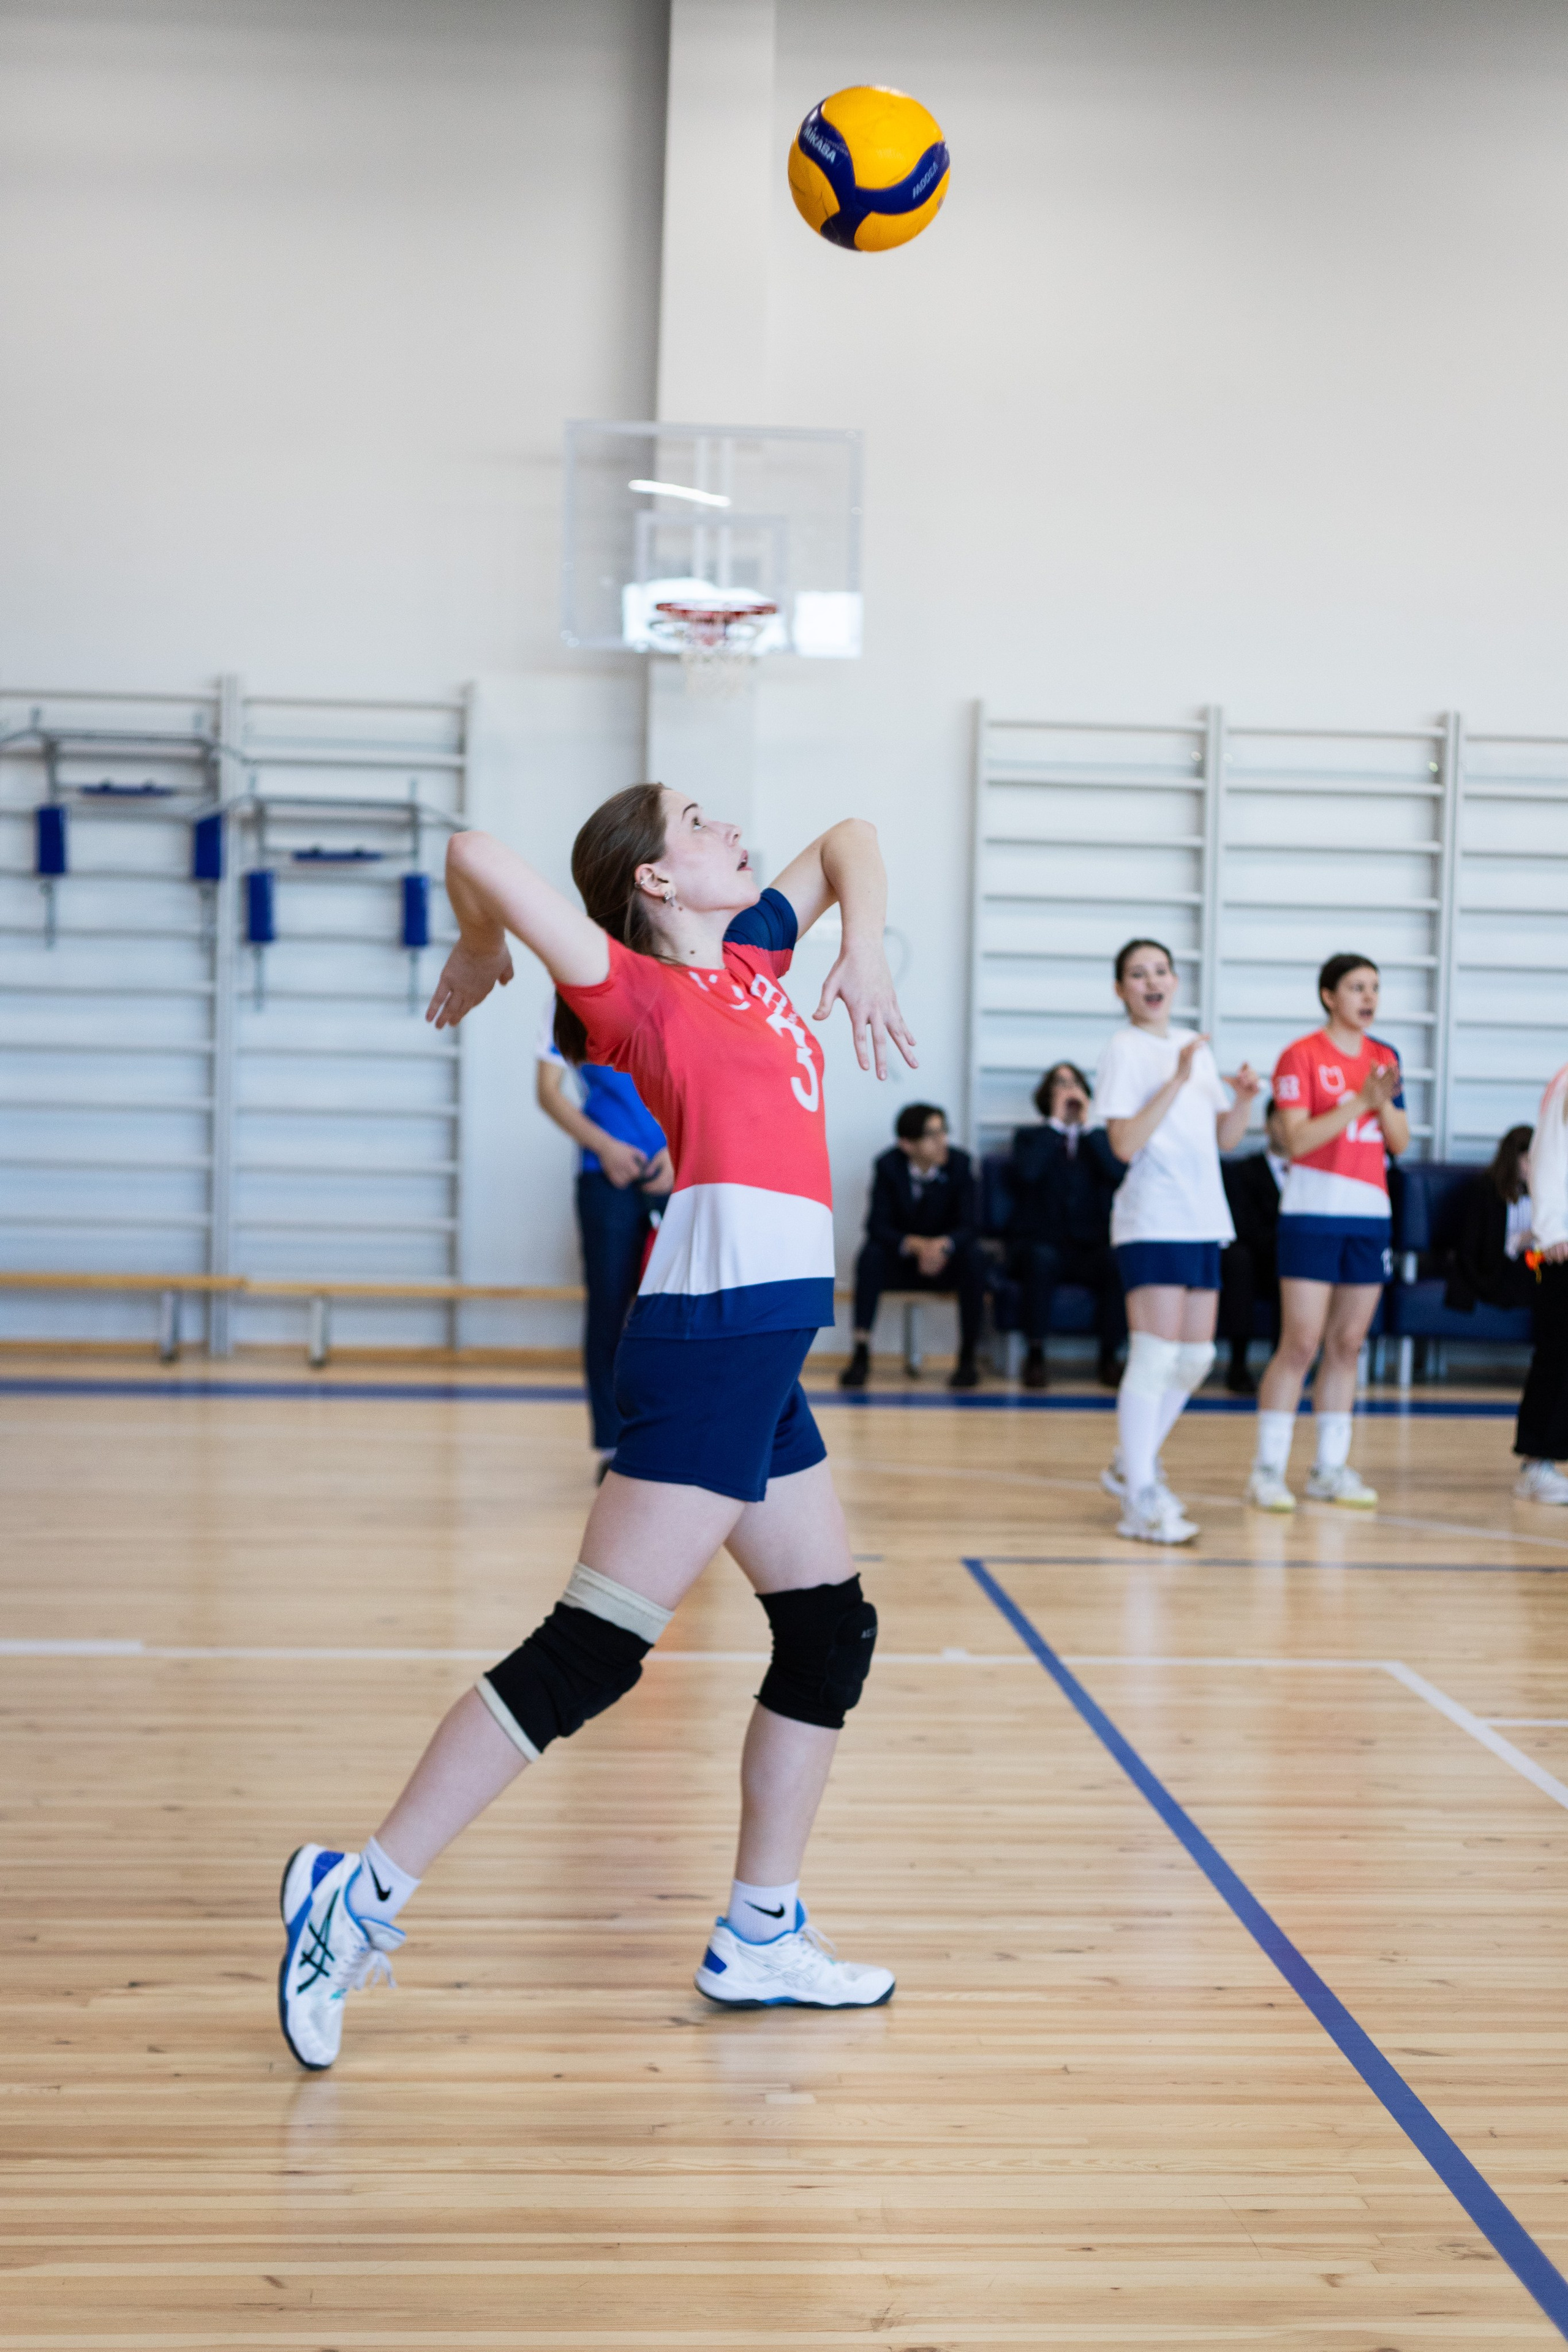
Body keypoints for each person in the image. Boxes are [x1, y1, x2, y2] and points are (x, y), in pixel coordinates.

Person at [277, 786, 918, 2071]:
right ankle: (359, 1894)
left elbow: (851, 834)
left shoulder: (752, 959)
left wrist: (868, 942)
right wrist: (480, 941)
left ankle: (760, 1931)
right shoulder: (628, 986)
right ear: (653, 881)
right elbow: (470, 849)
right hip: (708, 1343)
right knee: (591, 1652)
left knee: (828, 1630)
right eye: (695, 822)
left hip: (763, 1346)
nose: (728, 826)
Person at [1093, 940, 1259, 1544]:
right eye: (1137, 974)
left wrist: (1240, 1098)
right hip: (1152, 1217)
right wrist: (1178, 1078)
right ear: (1121, 990)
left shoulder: (1192, 1045)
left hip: (1201, 1217)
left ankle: (1129, 1463)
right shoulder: (1124, 1048)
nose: (1151, 981)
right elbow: (1122, 1144)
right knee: (1155, 1356)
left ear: (1175, 980)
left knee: (1196, 1359)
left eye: (1159, 971)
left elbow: (1224, 1139)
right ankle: (1140, 1495)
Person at [1245, 954, 1407, 1512]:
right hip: (1313, 1213)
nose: (1369, 997)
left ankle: (1330, 1468)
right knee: (1302, 1342)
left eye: (1376, 988)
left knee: (1348, 1343)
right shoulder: (1301, 1056)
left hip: (1370, 1214)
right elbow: (1297, 1139)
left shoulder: (1385, 1057)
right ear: (1328, 996)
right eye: (1357, 987)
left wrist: (1380, 1105)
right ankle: (1267, 1471)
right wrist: (1358, 1102)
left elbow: (1401, 1142)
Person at [536, 1006, 673, 1473]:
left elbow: (706, 1082)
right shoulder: (567, 1002)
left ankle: (674, 1435)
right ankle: (613, 1447)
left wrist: (679, 1152)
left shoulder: (672, 987)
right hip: (604, 1178)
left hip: (676, 1173)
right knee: (609, 1310)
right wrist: (604, 1147)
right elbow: (548, 1092)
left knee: (676, 1310)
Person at [840, 1104, 984, 1391]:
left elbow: (971, 1224)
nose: (942, 1140)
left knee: (975, 1258)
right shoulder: (888, 1165)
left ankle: (967, 1359)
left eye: (944, 1131)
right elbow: (877, 1225)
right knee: (870, 1256)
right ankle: (860, 1353)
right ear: (907, 1144)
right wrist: (917, 1246)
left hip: (947, 1262)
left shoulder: (960, 1164)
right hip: (903, 1262)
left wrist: (943, 1247)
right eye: (932, 1135)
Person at [1005, 1060, 1125, 1390]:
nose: (1069, 1090)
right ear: (1047, 1095)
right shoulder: (1030, 1138)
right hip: (1044, 1243)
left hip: (1090, 1246)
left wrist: (1089, 1127)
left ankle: (1110, 1355)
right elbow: (1027, 1174)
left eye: (1075, 1084)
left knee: (1117, 1263)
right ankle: (1036, 1355)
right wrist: (1056, 1124)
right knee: (1040, 1261)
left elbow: (1118, 1175)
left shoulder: (1100, 1139)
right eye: (1060, 1083)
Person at [1514, 1067, 1568, 1503]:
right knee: (1559, 1353)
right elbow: (1548, 1152)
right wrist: (1550, 1229)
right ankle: (1536, 1463)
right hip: (1563, 1246)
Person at [1217, 1097, 1291, 1394]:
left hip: (1291, 1259)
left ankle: (1286, 1366)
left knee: (1295, 1265)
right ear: (1268, 1125)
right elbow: (1242, 1226)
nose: (1289, 1129)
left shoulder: (1316, 1174)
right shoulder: (1245, 1170)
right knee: (1239, 1261)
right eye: (1282, 1121)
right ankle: (1238, 1364)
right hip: (1257, 1258)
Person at [1444, 1124, 1536, 1316]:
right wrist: (1517, 1243)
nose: (1534, 1168)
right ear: (1513, 1160)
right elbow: (1473, 1250)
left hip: (1528, 1269)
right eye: (1528, 1160)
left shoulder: (1541, 1194)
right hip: (1493, 1271)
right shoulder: (1485, 1191)